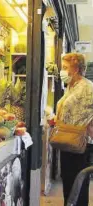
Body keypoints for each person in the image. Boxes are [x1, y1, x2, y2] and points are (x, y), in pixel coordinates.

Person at [56, 53, 93, 206]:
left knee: (78, 185)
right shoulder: (71, 86)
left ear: (76, 69)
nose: (62, 71)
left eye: (65, 67)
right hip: (67, 142)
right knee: (69, 182)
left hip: (81, 143)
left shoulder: (88, 88)